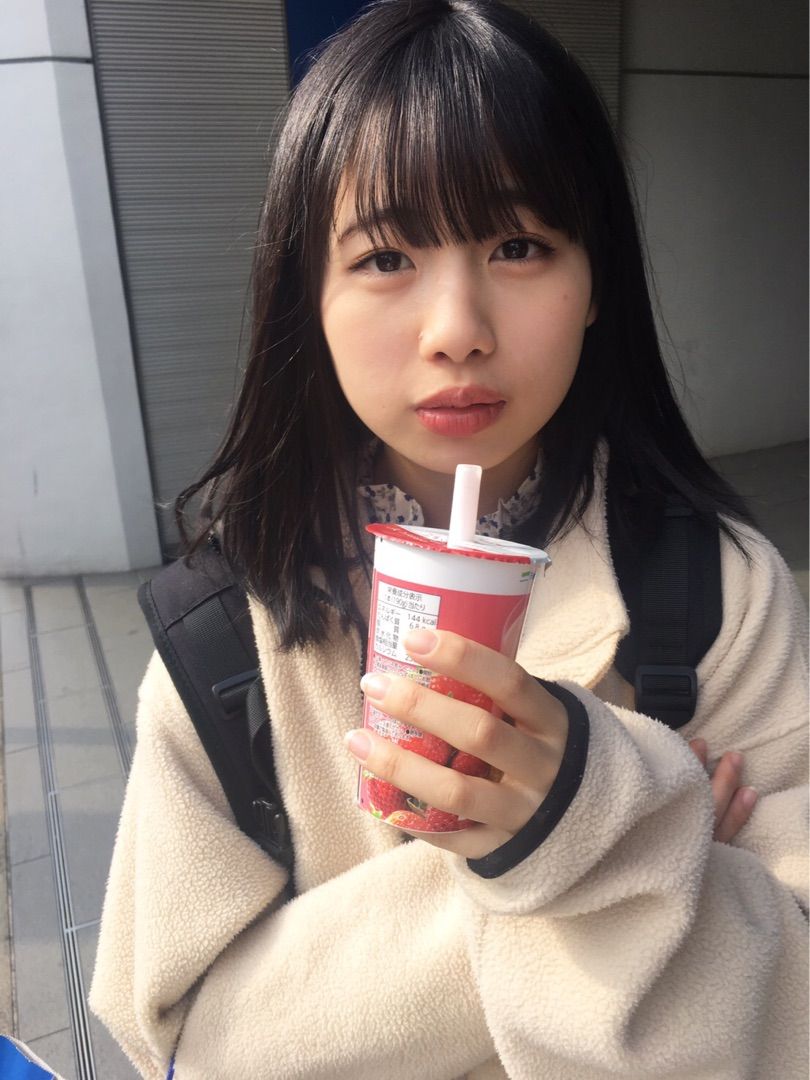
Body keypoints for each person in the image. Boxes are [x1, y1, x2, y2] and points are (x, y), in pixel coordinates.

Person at [89, 2, 808, 1077]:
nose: (458, 329)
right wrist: (620, 837)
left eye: (519, 245)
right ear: (307, 296)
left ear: (596, 280)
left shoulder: (719, 593)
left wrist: (575, 827)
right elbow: (188, 1047)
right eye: (385, 257)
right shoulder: (223, 634)